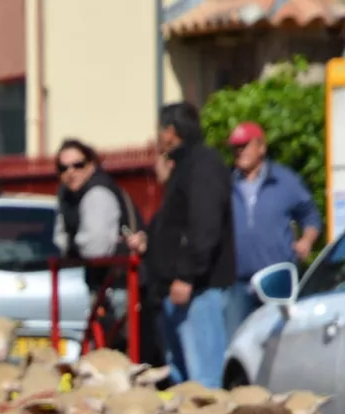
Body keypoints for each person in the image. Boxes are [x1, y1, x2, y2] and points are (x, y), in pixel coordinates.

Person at [130, 101, 236, 389]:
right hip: (177, 288)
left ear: (171, 132)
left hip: (197, 290)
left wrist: (188, 274)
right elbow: (175, 225)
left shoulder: (202, 165)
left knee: (202, 382)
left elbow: (205, 225)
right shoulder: (184, 167)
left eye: (160, 131)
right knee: (181, 381)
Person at [225, 121, 321, 337]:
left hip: (276, 280)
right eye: (235, 147)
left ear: (261, 147)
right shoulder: (226, 182)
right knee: (237, 342)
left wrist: (306, 240)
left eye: (244, 145)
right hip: (237, 283)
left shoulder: (284, 181)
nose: (239, 152)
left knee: (278, 340)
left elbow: (310, 214)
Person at [53, 138, 139, 349]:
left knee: (117, 348)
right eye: (63, 168)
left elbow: (94, 248)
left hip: (118, 284)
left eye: (78, 165)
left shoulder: (97, 193)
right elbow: (59, 237)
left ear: (91, 164)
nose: (70, 172)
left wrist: (73, 247)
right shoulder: (68, 196)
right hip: (100, 282)